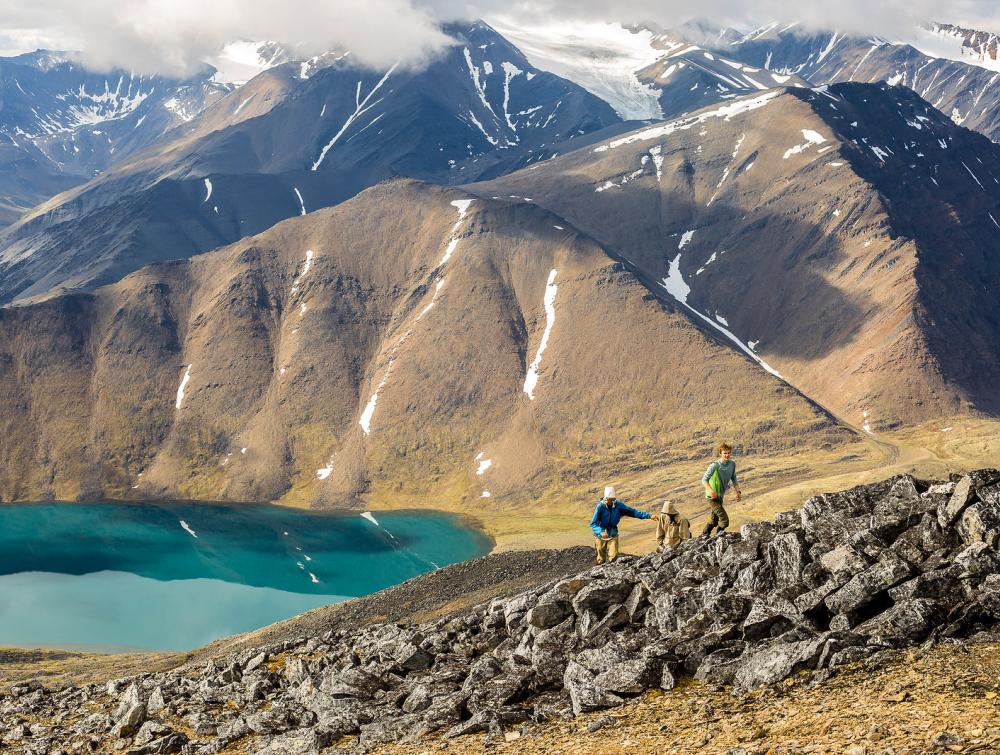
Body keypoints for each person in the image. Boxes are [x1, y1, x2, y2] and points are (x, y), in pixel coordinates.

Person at [589, 486, 654, 564]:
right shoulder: (600, 506)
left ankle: (611, 573)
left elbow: (633, 512)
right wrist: (601, 531)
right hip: (600, 535)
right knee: (600, 558)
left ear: (614, 499)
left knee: (613, 556)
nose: (609, 501)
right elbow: (593, 523)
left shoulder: (618, 505)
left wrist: (649, 516)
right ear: (605, 498)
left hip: (613, 533)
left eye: (611, 499)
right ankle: (598, 572)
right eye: (608, 499)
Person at [701, 442, 742, 538]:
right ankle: (719, 535)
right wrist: (711, 491)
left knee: (714, 520)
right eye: (725, 453)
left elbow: (734, 478)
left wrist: (738, 492)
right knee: (724, 520)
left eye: (728, 453)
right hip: (711, 497)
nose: (727, 455)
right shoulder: (715, 465)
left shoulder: (732, 464)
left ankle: (705, 534)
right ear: (720, 453)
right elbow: (704, 480)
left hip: (720, 496)